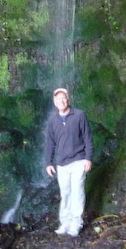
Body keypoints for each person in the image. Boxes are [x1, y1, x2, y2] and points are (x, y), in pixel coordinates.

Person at [44, 88, 93, 237]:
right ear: (54, 102)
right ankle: (65, 222)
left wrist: (88, 158)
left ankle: (76, 223)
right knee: (65, 193)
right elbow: (49, 143)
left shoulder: (79, 115)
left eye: (64, 98)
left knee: (77, 192)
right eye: (58, 99)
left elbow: (88, 138)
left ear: (68, 99)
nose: (61, 101)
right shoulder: (52, 120)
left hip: (78, 160)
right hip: (61, 163)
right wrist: (48, 163)